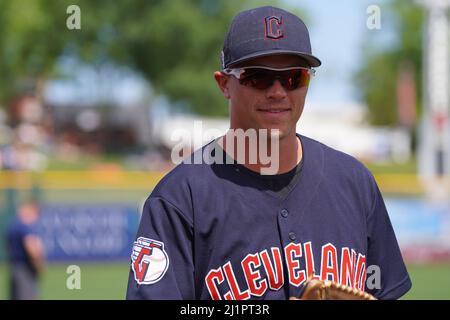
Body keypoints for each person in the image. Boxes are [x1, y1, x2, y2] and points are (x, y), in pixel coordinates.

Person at [126, 6, 411, 300]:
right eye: (258, 77)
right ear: (224, 84)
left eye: (293, 77)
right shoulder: (180, 198)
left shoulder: (355, 182)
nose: (277, 91)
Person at [6, 199, 45, 300]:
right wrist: (38, 263)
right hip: (25, 268)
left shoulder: (12, 225)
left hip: (14, 266)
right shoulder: (25, 227)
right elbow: (31, 247)